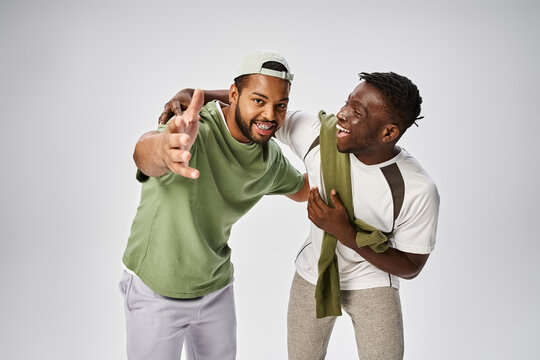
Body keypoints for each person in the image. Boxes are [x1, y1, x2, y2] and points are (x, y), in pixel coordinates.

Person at [162, 71, 440, 360]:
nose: (341, 114)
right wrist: (195, 95)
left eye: (357, 112)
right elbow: (262, 110)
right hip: (314, 273)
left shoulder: (416, 189)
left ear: (388, 133)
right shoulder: (318, 134)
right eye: (347, 102)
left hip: (372, 281)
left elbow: (411, 266)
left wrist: (346, 233)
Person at [119, 50, 309, 360]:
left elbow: (302, 189)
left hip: (216, 289)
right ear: (233, 94)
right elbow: (145, 153)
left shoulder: (269, 158)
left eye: (280, 105)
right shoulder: (195, 133)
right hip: (156, 292)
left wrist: (353, 166)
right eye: (258, 101)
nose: (270, 116)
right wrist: (165, 150)